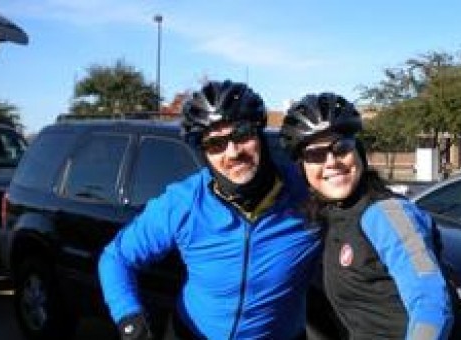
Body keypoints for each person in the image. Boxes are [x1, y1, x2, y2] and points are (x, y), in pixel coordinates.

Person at [98, 80, 321, 339]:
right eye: (216, 144)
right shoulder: (183, 202)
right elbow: (116, 257)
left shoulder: (307, 194)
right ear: (204, 152)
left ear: (259, 134)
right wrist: (129, 318)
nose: (233, 152)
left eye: (242, 134)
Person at [280, 92, 454, 339]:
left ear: (358, 153)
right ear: (302, 168)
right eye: (316, 155)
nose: (331, 162)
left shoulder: (386, 213)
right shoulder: (329, 215)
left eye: (341, 148)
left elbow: (431, 304)